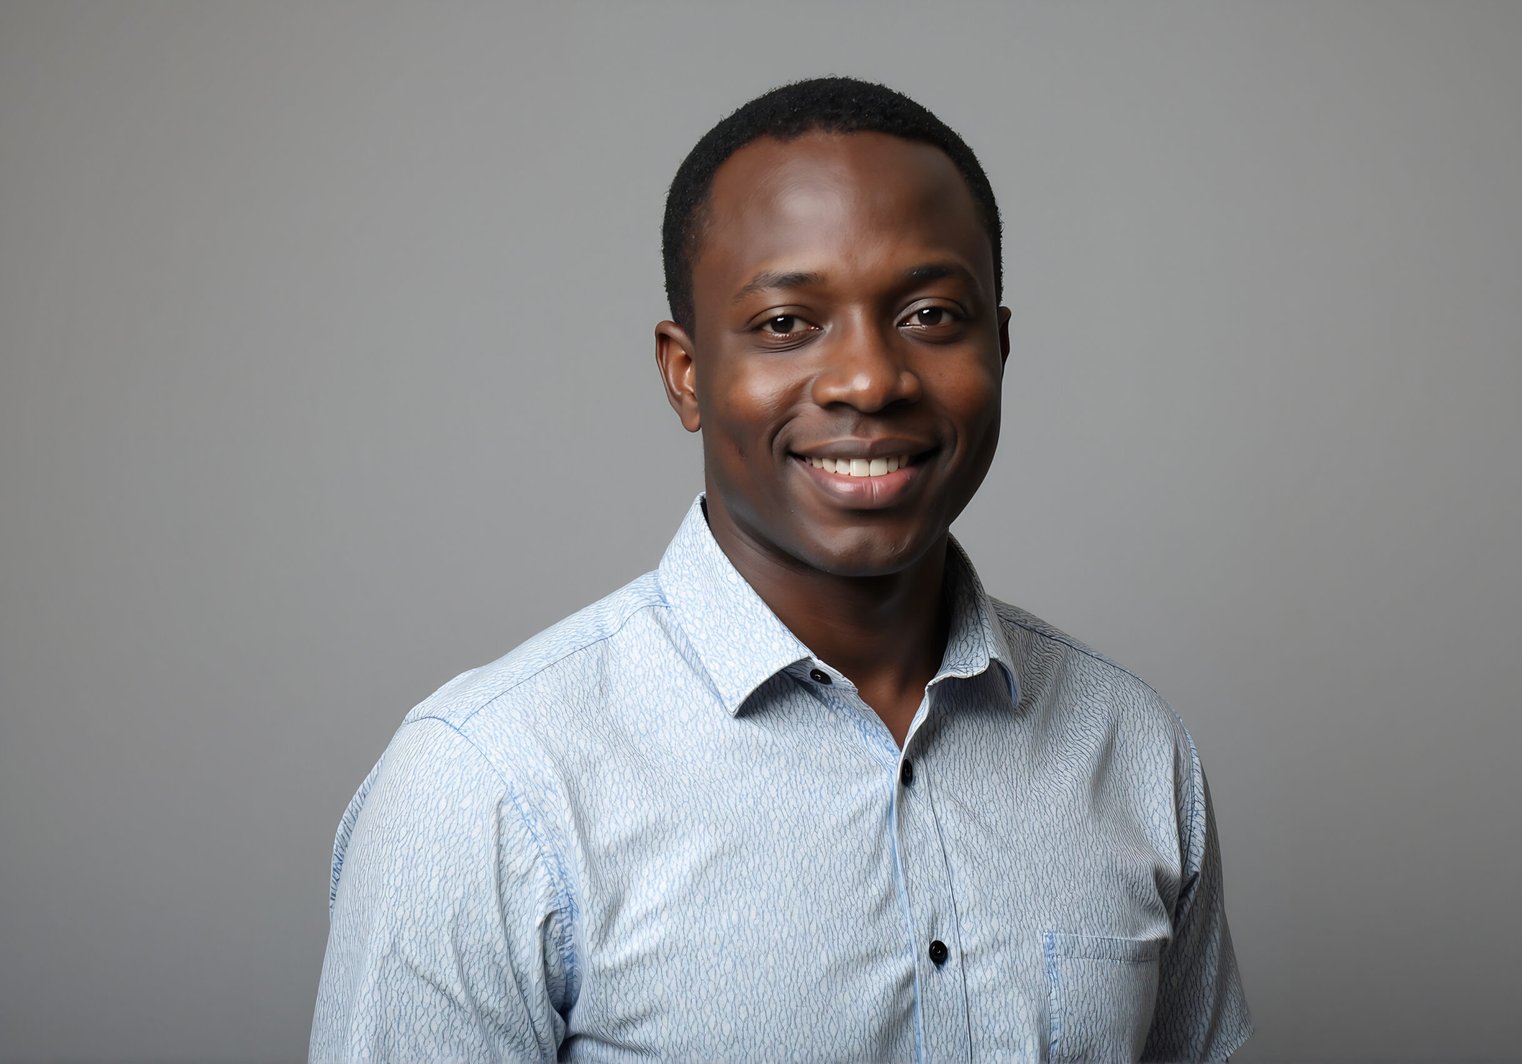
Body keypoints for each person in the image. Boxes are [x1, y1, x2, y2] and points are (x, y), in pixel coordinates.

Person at [310, 76, 1251, 1062]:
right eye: (784, 324)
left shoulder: (1134, 749)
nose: (868, 380)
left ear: (1000, 347)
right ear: (685, 372)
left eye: (930, 314)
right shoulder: (486, 787)